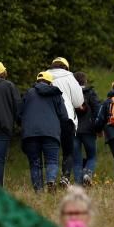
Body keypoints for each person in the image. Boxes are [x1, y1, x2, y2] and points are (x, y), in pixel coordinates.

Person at [19, 71, 70, 193]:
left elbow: (19, 114)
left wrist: (25, 124)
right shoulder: (56, 94)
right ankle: (51, 180)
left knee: (35, 163)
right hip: (51, 132)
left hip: (31, 134)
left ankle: (38, 191)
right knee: (52, 160)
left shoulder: (28, 93)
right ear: (50, 82)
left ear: (37, 81)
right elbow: (64, 116)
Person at [44, 57, 85, 187]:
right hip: (67, 118)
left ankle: (50, 179)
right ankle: (65, 178)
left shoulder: (44, 76)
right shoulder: (70, 77)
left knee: (51, 151)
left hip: (48, 118)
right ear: (66, 67)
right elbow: (79, 102)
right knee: (68, 151)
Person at [72, 72, 100, 187]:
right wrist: (97, 127)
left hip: (73, 130)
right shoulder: (91, 93)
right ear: (85, 81)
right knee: (92, 156)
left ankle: (78, 184)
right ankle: (87, 173)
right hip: (89, 130)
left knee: (76, 159)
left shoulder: (70, 94)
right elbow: (98, 111)